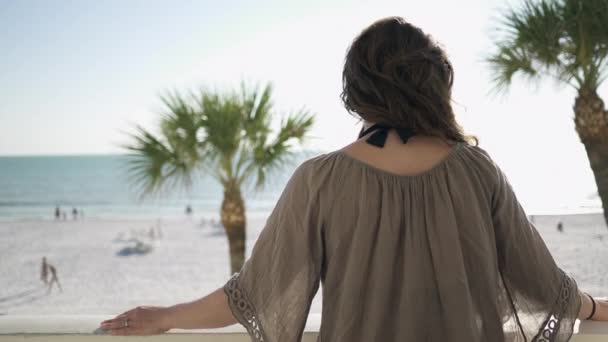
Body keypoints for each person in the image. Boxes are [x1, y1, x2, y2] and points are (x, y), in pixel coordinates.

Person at [100, 17, 608, 341]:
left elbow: (252, 295)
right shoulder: (478, 171)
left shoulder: (319, 181)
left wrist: (165, 316)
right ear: (436, 85)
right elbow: (543, 285)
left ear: (356, 91)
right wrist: (593, 309)